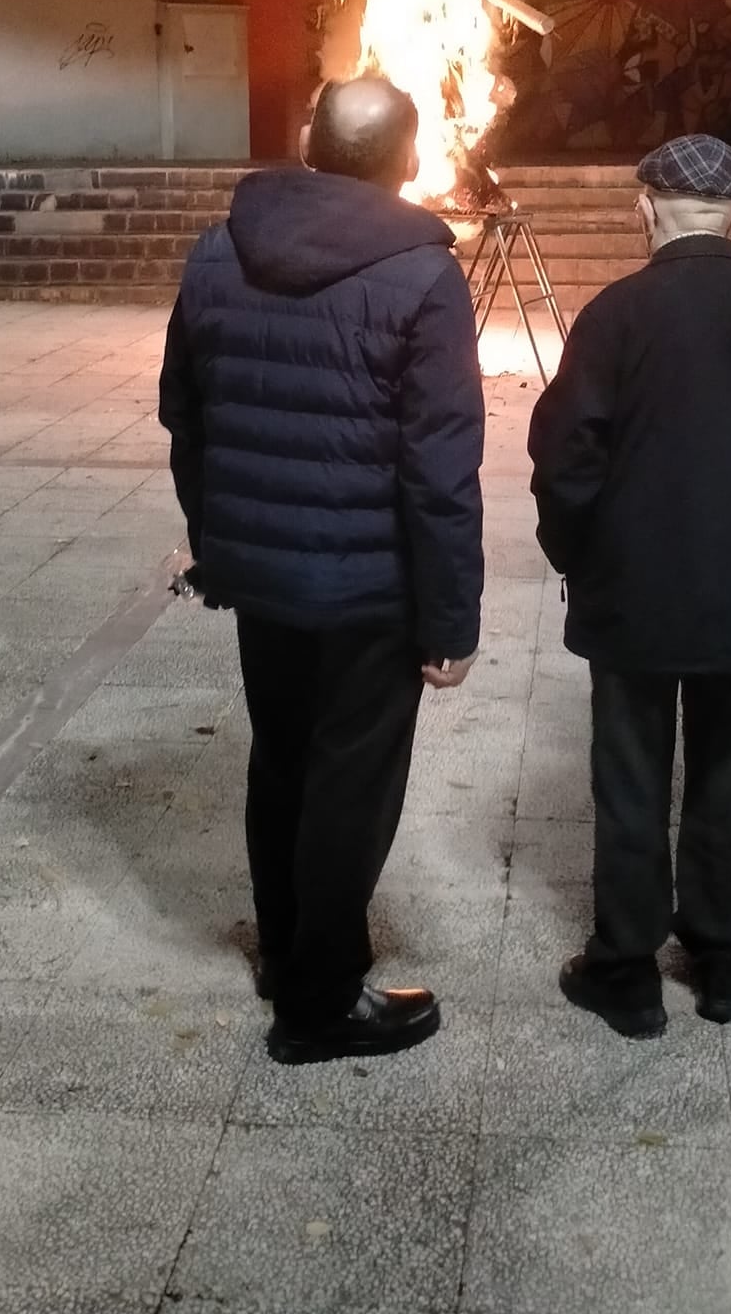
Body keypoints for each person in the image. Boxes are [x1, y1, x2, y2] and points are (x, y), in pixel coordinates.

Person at [158, 75, 485, 1065]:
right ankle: (320, 999)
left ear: (309, 144)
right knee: (352, 781)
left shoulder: (219, 252)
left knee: (284, 757)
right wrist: (450, 615)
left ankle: (287, 948)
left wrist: (219, 539)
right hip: (370, 587)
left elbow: (187, 413)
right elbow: (440, 464)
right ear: (408, 161)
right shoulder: (424, 277)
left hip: (263, 574)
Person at [527, 133, 731, 1037]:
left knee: (631, 774)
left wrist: (575, 550)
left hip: (633, 589)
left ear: (644, 207)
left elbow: (564, 458)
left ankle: (627, 973)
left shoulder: (615, 316)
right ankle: (721, 962)